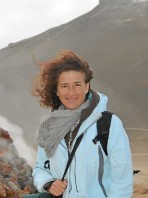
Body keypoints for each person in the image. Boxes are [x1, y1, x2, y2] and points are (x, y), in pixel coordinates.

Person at [29, 50, 133, 197]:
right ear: (57, 90)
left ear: (86, 86)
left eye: (77, 84)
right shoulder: (49, 127)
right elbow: (40, 169)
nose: (71, 92)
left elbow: (122, 179)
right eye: (64, 86)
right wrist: (48, 183)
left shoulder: (108, 124)